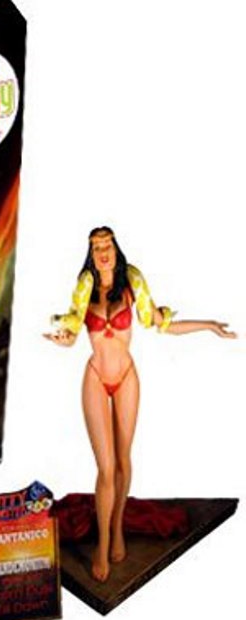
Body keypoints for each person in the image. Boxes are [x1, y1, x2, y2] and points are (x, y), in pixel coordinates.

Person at [45, 226, 236, 582]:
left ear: (116, 249)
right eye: (96, 247)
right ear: (91, 254)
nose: (103, 252)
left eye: (107, 245)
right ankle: (102, 546)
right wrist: (61, 339)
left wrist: (209, 325)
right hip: (96, 376)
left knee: (122, 460)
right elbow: (71, 332)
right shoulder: (85, 286)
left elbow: (162, 323)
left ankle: (117, 526)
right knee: (105, 468)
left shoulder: (132, 282)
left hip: (126, 376)